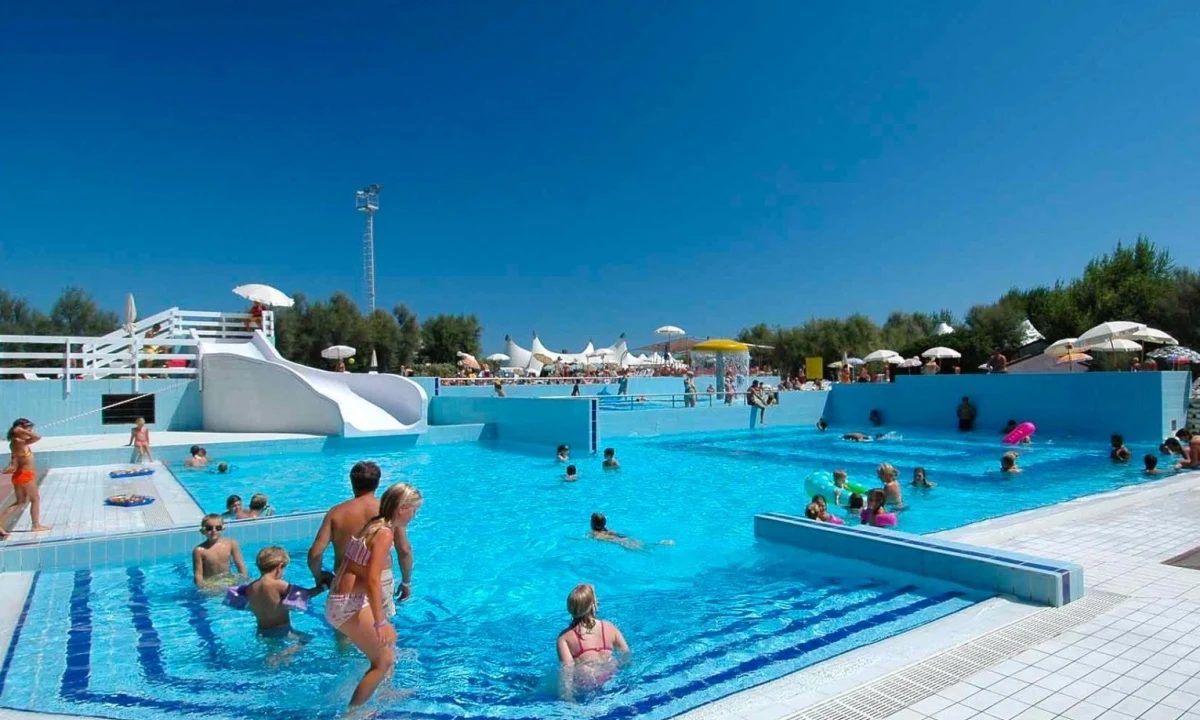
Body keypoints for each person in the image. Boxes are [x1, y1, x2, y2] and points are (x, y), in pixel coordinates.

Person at [324, 483, 422, 708]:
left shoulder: (374, 525)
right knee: (384, 660)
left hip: (342, 601)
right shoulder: (385, 533)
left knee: (385, 654)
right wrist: (380, 621)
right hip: (346, 605)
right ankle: (352, 714)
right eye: (413, 510)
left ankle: (381, 695)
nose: (414, 516)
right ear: (401, 508)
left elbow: (357, 567)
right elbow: (373, 579)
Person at [308, 461, 414, 614]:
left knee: (345, 632)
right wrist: (406, 582)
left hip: (346, 579)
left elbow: (315, 554)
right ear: (377, 484)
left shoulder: (336, 513)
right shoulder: (390, 511)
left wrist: (319, 577)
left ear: (352, 483)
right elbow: (404, 550)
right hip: (379, 578)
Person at [225, 547, 327, 664]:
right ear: (279, 567)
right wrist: (322, 587)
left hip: (261, 632)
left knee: (270, 654)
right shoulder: (278, 585)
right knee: (307, 639)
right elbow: (305, 594)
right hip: (282, 631)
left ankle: (272, 660)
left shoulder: (251, 587)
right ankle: (284, 655)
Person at [556, 583, 630, 700]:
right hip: (612, 677)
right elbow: (626, 655)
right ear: (593, 605)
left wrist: (567, 698)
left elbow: (567, 670)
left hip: (587, 683)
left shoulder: (564, 638)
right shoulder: (610, 627)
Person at [0, 418, 50, 537]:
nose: (31, 430)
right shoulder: (18, 441)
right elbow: (37, 437)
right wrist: (22, 430)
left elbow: (33, 438)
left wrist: (23, 431)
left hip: (21, 475)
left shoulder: (19, 441)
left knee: (20, 502)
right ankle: (36, 525)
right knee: (35, 499)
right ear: (20, 429)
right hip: (25, 475)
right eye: (28, 428)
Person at [192, 513, 247, 588]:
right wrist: (202, 588)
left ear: (223, 528)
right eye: (209, 528)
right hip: (210, 584)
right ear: (203, 531)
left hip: (228, 580)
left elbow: (240, 565)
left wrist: (243, 581)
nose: (214, 530)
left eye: (218, 528)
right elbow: (198, 575)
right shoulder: (199, 550)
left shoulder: (231, 544)